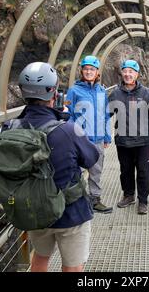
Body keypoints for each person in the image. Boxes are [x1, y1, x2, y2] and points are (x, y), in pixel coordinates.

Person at [13, 62, 99, 272]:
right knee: (73, 266)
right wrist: (64, 118)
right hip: (70, 212)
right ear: (54, 93)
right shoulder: (69, 129)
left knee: (40, 258)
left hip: (34, 210)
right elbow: (91, 157)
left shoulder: (10, 128)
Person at [108, 60, 149, 215]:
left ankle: (143, 201)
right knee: (126, 170)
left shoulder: (146, 92)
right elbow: (106, 112)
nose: (128, 74)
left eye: (131, 72)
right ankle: (128, 195)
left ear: (136, 75)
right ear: (122, 74)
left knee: (144, 171)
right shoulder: (116, 93)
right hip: (123, 140)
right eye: (125, 71)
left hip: (143, 141)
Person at [65, 56, 113, 214]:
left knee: (96, 170)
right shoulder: (74, 90)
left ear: (97, 72)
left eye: (92, 69)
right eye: (86, 69)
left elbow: (105, 115)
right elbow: (69, 115)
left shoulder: (101, 91)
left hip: (98, 137)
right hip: (80, 138)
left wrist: (106, 136)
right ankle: (76, 200)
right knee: (75, 169)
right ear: (82, 71)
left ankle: (95, 200)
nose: (89, 71)